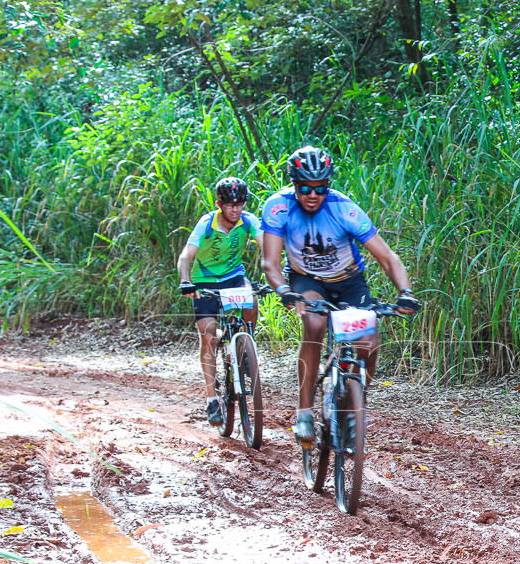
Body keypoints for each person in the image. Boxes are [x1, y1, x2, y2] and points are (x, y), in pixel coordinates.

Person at [260, 146, 420, 443]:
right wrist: (283, 290)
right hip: (307, 279)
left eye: (320, 188)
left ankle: (352, 403)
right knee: (315, 324)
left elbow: (387, 257)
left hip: (349, 281)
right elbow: (269, 262)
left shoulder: (343, 208)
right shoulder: (278, 206)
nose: (312, 194)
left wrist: (405, 292)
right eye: (305, 187)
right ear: (294, 184)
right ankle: (305, 412)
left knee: (368, 346)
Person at [177, 177, 264, 426]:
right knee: (209, 336)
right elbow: (185, 256)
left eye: (240, 203)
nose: (235, 209)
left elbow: (266, 246)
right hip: (203, 281)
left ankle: (246, 347)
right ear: (219, 204)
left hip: (233, 276)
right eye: (229, 204)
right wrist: (186, 281)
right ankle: (211, 398)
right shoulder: (207, 223)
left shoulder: (248, 221)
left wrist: (276, 276)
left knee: (252, 299)